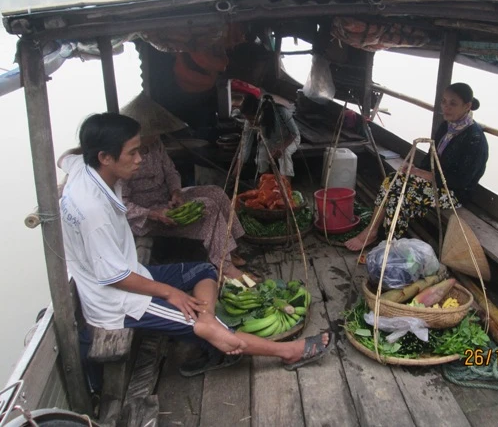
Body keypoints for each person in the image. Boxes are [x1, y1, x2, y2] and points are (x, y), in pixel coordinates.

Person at [59, 113, 333, 377]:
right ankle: (288, 351)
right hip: (120, 301)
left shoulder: (82, 166)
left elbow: (65, 158)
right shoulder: (93, 211)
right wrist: (170, 293)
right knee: (219, 328)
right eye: (132, 152)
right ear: (105, 157)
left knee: (203, 270)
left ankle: (206, 321)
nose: (139, 159)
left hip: (132, 270)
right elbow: (114, 277)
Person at [119, 93, 249, 281]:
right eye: (153, 132)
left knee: (216, 193)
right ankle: (224, 265)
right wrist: (154, 214)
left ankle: (230, 248)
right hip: (147, 218)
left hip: (168, 200)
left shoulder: (156, 144)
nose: (157, 135)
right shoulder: (124, 158)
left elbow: (171, 171)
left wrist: (176, 192)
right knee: (208, 207)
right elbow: (122, 205)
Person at [345, 83, 488, 251]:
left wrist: (420, 174)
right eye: (444, 102)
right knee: (395, 182)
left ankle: (381, 238)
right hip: (435, 184)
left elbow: (459, 181)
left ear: (467, 106)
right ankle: (385, 239)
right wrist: (414, 169)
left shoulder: (474, 138)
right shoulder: (446, 127)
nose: (446, 107)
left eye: (453, 103)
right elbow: (431, 156)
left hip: (453, 194)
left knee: (400, 192)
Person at [238, 94, 300, 180]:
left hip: (288, 138)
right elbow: (245, 148)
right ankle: (267, 183)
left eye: (252, 119)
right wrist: (234, 176)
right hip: (269, 140)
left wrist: (281, 147)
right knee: (261, 158)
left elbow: (294, 133)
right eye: (248, 120)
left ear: (260, 112)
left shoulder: (281, 112)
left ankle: (286, 186)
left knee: (285, 155)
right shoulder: (249, 122)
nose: (251, 123)